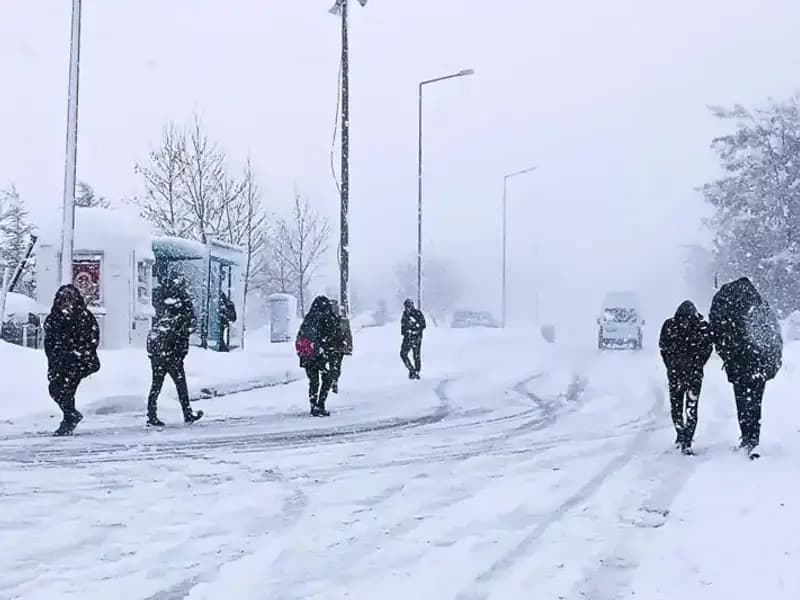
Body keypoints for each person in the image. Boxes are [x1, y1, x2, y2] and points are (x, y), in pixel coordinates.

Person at [709, 277, 783, 458]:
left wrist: (728, 356)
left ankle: (746, 435)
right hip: (760, 365)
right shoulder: (759, 306)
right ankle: (753, 438)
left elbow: (718, 335)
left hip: (739, 366)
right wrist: (772, 362)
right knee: (756, 401)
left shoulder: (728, 309)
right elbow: (774, 336)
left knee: (742, 401)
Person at [43, 284, 100, 436]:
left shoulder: (83, 317)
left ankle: (69, 420)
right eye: (63, 300)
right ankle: (70, 415)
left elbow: (92, 339)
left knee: (67, 389)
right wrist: (54, 361)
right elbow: (49, 343)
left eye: (69, 299)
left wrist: (81, 354)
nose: (66, 303)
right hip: (60, 362)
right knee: (55, 389)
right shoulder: (53, 318)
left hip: (79, 362)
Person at [659, 300, 713, 454]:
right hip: (692, 375)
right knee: (691, 408)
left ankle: (682, 436)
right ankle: (686, 439)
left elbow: (663, 347)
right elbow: (708, 348)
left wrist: (671, 365)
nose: (684, 323)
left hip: (677, 374)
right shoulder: (702, 328)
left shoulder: (670, 326)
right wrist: (698, 364)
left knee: (677, 407)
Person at [145, 286, 203, 426]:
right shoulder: (181, 319)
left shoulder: (165, 318)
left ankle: (151, 415)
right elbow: (181, 338)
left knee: (156, 386)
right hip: (172, 358)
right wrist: (178, 354)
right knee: (181, 386)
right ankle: (187, 413)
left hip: (158, 357)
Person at [296, 296, 344, 416]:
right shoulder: (328, 317)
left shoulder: (309, 318)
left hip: (308, 355)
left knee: (313, 381)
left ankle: (313, 405)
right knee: (326, 379)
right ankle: (321, 404)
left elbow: (300, 336)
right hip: (322, 355)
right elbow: (335, 336)